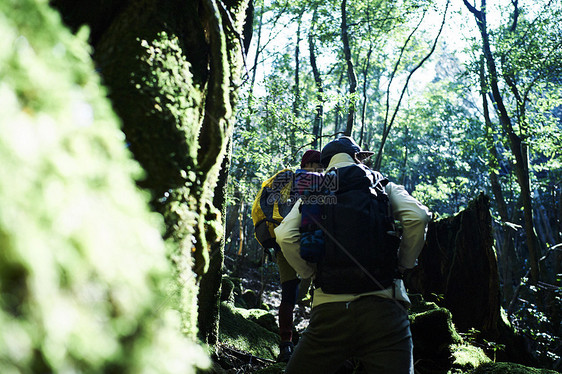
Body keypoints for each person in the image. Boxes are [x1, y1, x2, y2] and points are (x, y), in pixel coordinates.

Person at [274, 137, 432, 373]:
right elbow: (418, 217)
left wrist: (309, 271)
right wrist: (403, 264)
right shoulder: (381, 184)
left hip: (330, 308)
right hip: (384, 306)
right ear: (357, 157)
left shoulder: (314, 188)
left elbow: (284, 234)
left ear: (326, 164)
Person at [275, 149, 323, 362]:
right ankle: (299, 343)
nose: (318, 169)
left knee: (289, 294)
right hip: (310, 244)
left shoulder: (288, 181)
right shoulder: (319, 182)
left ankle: (287, 344)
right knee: (313, 290)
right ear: (309, 165)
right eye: (316, 165)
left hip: (284, 244)